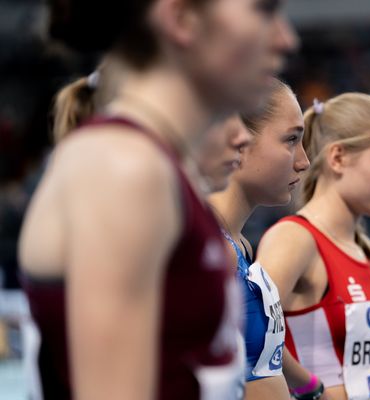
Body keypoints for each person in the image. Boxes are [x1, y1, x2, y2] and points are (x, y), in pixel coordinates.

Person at [17, 0, 297, 399]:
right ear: (182, 19)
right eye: (264, 11)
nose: (286, 39)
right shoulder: (126, 169)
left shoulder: (156, 168)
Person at [256, 93, 370, 400]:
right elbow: (248, 333)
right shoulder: (295, 239)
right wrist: (311, 388)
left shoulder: (360, 249)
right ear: (338, 158)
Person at [209, 79, 310, 399]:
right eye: (291, 140)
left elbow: (264, 363)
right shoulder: (208, 248)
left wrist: (311, 389)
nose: (304, 161)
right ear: (237, 139)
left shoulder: (238, 244)